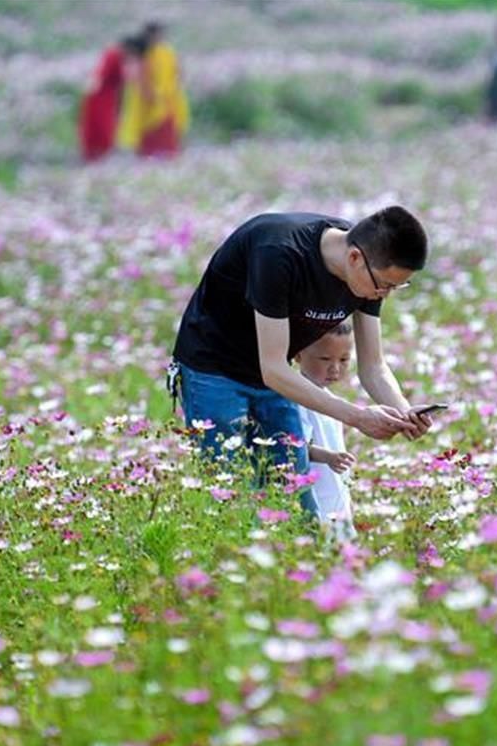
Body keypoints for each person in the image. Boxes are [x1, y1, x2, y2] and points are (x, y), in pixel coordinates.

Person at [169, 207, 434, 516]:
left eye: (396, 287)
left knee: (296, 491)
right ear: (354, 259)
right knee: (228, 493)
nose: (385, 295)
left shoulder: (367, 272)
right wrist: (358, 417)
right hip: (213, 368)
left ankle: (304, 557)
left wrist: (404, 412)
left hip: (273, 374)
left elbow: (373, 367)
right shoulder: (280, 253)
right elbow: (274, 369)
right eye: (386, 284)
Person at [294, 321, 358, 543]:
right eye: (325, 359)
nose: (335, 368)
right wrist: (329, 457)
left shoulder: (332, 400)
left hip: (336, 494)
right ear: (298, 355)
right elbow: (297, 444)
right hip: (315, 495)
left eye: (344, 360)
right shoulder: (297, 399)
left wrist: (347, 497)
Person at [117, 21, 190, 158]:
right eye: (155, 35)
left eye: (160, 34)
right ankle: (148, 159)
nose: (158, 38)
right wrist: (148, 92)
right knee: (148, 130)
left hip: (168, 98)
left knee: (168, 129)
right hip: (147, 99)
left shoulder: (168, 52)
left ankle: (168, 157)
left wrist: (174, 87)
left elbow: (178, 72)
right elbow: (135, 75)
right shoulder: (143, 52)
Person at [79, 34, 145, 163]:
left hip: (109, 95)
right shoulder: (114, 54)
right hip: (101, 95)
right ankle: (96, 156)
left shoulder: (120, 57)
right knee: (102, 126)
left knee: (106, 125)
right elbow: (102, 72)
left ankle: (97, 155)